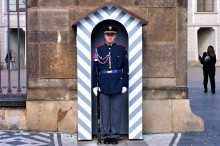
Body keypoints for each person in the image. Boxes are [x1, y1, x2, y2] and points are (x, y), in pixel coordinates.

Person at [92, 26, 128, 145]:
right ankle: (107, 135)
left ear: (115, 36)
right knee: (105, 111)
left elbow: (125, 68)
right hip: (103, 84)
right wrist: (94, 85)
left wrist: (125, 84)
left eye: (112, 35)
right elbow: (95, 69)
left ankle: (115, 136)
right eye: (108, 35)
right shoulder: (99, 50)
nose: (110, 37)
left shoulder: (121, 49)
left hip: (117, 83)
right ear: (104, 36)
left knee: (116, 111)